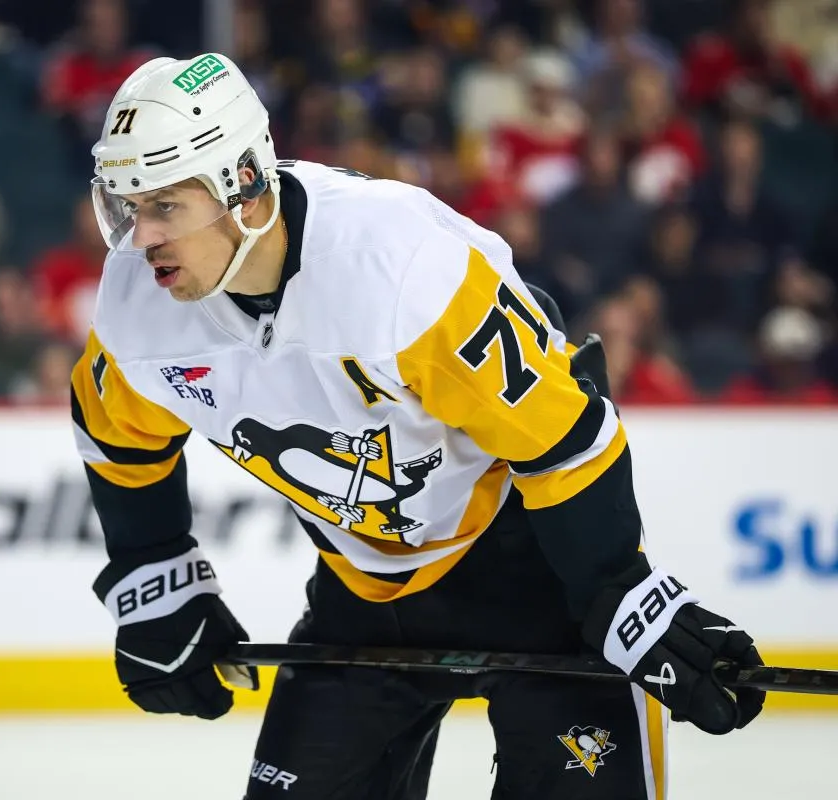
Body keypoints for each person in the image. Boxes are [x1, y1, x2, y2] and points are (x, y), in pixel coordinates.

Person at [70, 54, 765, 799]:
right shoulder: (139, 307)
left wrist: (620, 589)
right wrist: (156, 579)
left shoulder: (403, 272)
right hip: (362, 596)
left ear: (242, 186)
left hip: (533, 575)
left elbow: (562, 436)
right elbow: (115, 429)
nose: (138, 239)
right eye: (126, 206)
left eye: (163, 208)